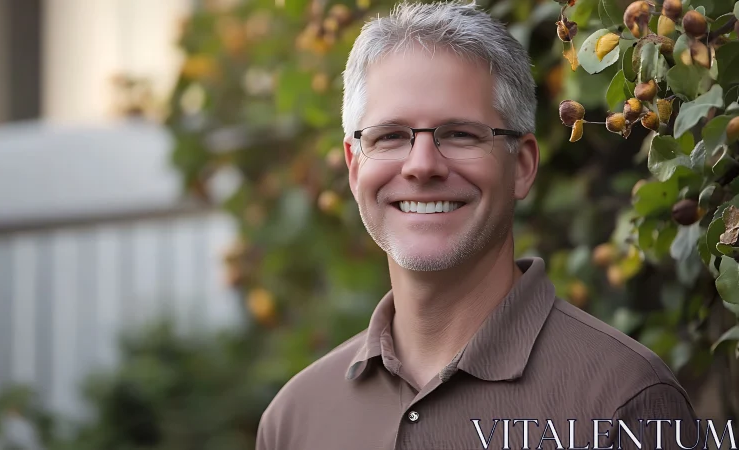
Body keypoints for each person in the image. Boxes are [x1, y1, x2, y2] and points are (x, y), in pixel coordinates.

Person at [256, 2, 702, 449]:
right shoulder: (294, 420)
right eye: (389, 135)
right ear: (354, 169)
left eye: (460, 134)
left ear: (523, 166)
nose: (422, 166)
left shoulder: (623, 402)